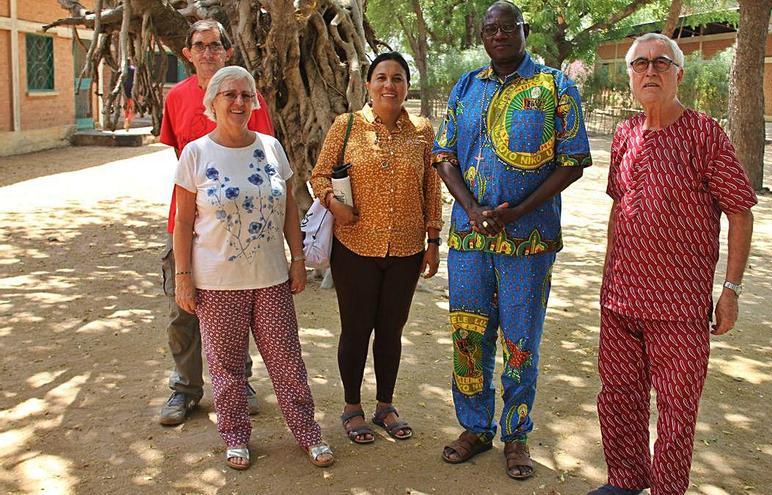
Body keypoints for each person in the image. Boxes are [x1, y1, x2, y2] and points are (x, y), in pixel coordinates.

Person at [588, 33, 756, 495]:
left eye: (661, 63)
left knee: (678, 410)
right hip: (621, 299)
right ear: (630, 77)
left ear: (679, 74)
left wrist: (731, 290)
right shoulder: (624, 134)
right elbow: (619, 209)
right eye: (640, 64)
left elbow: (740, 211)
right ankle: (625, 479)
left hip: (679, 305)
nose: (650, 71)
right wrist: (607, 279)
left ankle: (666, 489)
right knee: (619, 398)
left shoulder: (705, 135)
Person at [432, 1, 591, 480]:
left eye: (507, 27)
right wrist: (470, 207)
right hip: (469, 238)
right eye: (490, 29)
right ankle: (476, 428)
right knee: (467, 332)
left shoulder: (555, 87)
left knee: (521, 339)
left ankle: (516, 434)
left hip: (531, 238)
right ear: (482, 36)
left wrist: (519, 210)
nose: (498, 35)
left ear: (526, 30)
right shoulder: (465, 86)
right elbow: (442, 154)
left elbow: (573, 159)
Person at [173, 66, 333, 470]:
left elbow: (291, 208)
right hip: (217, 283)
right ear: (213, 102)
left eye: (247, 94)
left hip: (271, 278)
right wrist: (183, 278)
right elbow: (183, 223)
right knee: (227, 371)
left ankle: (308, 433)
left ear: (255, 101)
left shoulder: (271, 147)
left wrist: (298, 260)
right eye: (230, 94)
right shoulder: (195, 153)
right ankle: (236, 437)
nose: (239, 102)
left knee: (288, 361)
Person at [309, 52, 443, 445]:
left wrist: (432, 241)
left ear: (406, 85)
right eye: (381, 77)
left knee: (390, 331)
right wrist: (334, 202)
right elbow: (319, 174)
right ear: (368, 84)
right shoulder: (346, 126)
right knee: (355, 330)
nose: (389, 85)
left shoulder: (421, 130)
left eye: (398, 78)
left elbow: (431, 189)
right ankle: (352, 407)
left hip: (405, 250)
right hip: (354, 249)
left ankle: (385, 405)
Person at [158, 19, 274, 426]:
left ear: (227, 50)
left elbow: (264, 160)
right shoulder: (175, 97)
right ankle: (185, 389)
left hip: (238, 226)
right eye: (199, 45)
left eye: (215, 45)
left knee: (236, 302)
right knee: (183, 307)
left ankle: (239, 384)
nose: (207, 52)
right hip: (188, 219)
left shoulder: (245, 94)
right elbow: (182, 160)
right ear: (187, 53)